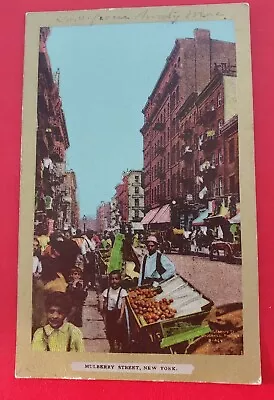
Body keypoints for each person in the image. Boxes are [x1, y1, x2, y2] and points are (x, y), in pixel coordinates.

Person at [102, 270, 128, 352]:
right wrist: (104, 317)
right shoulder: (107, 291)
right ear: (109, 280)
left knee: (119, 332)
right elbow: (105, 304)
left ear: (120, 280)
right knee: (110, 332)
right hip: (110, 314)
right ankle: (112, 346)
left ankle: (119, 345)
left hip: (118, 313)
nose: (114, 281)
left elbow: (123, 305)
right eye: (112, 279)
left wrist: (121, 317)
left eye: (116, 279)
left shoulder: (122, 291)